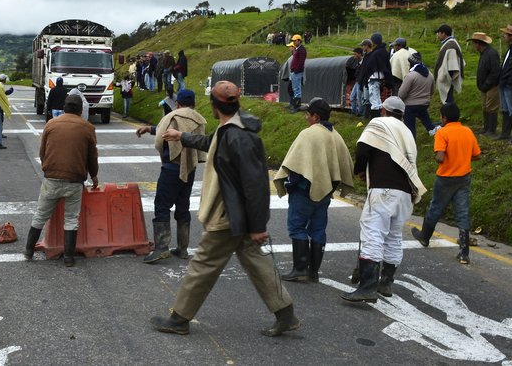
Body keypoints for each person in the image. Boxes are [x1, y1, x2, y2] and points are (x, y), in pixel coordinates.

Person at [150, 81, 300, 337]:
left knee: (203, 265)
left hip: (228, 215)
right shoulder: (233, 128)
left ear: (214, 106)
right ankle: (285, 314)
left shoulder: (236, 135)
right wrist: (182, 137)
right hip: (236, 214)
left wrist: (257, 226)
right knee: (257, 261)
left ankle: (179, 319)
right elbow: (212, 142)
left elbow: (255, 184)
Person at [342, 96, 426, 302]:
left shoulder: (378, 123)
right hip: (405, 193)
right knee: (394, 236)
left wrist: (360, 170)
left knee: (373, 234)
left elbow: (363, 149)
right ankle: (386, 282)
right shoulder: (407, 132)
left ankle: (368, 287)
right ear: (402, 115)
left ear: (383, 111)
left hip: (384, 190)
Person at [273, 98, 355, 282]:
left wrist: (290, 185)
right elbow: (344, 164)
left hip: (304, 191)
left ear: (316, 117)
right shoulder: (336, 136)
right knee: (318, 230)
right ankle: (313, 272)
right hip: (325, 193)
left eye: (308, 114)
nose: (306, 118)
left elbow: (294, 164)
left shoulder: (308, 134)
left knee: (297, 227)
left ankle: (300, 269)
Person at [23, 94, 99, 267]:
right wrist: (93, 175)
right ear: (81, 110)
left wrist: (48, 169)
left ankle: (28, 251)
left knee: (41, 215)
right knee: (71, 218)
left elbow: (42, 152)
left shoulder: (51, 124)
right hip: (75, 180)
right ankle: (68, 258)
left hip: (51, 179)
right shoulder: (87, 128)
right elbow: (92, 157)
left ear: (64, 107)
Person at [136, 89, 207, 263]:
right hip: (189, 169)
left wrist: (149, 129)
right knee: (183, 206)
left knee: (162, 205)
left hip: (171, 168)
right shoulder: (199, 119)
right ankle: (183, 249)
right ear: (194, 103)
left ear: (177, 103)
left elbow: (162, 135)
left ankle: (161, 248)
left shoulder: (173, 116)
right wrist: (151, 129)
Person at [412, 103, 481, 264]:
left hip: (446, 178)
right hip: (464, 177)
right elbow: (477, 155)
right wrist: (462, 158)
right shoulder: (467, 131)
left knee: (436, 207)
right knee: (462, 212)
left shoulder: (442, 132)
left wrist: (438, 155)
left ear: (444, 118)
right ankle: (464, 253)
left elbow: (440, 157)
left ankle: (425, 236)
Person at [398, 52, 438, 139]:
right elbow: (432, 91)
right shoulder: (430, 75)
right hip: (424, 104)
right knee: (423, 115)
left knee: (410, 126)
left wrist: (399, 100)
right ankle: (431, 129)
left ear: (411, 63)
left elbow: (402, 93)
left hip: (410, 106)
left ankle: (411, 141)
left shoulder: (410, 76)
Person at [468, 32, 500, 137]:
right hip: (484, 86)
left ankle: (491, 130)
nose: (473, 46)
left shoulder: (491, 53)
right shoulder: (484, 53)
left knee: (491, 107)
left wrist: (487, 84)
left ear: (479, 43)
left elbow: (495, 72)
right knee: (485, 107)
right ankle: (486, 128)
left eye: (474, 43)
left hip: (491, 86)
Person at [360, 33, 394, 118]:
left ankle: (375, 120)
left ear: (374, 41)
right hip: (379, 78)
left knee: (374, 101)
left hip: (374, 78)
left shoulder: (376, 53)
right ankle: (378, 119)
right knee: (377, 100)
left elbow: (370, 66)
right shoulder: (383, 51)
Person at [434, 24, 464, 104]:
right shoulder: (450, 43)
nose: (438, 35)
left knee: (448, 101)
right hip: (446, 78)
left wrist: (446, 77)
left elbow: (452, 66)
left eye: (439, 33)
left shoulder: (450, 46)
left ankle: (449, 115)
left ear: (443, 33)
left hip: (447, 80)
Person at [288, 34, 306, 112]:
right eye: (293, 41)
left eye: (295, 40)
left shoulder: (302, 50)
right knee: (295, 89)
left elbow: (301, 62)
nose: (294, 42)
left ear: (299, 40)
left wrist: (296, 70)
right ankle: (295, 105)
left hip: (297, 72)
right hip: (294, 72)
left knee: (297, 89)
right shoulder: (298, 49)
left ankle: (297, 106)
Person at [346, 48, 364, 117]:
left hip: (360, 82)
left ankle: (361, 113)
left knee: (359, 98)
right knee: (352, 97)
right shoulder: (357, 61)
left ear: (359, 54)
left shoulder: (363, 61)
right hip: (357, 81)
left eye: (355, 54)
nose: (354, 56)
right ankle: (354, 112)